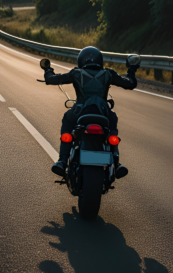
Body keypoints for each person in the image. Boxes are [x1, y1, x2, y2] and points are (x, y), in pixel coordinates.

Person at [43, 46, 139, 178]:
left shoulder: (76, 73)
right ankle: (117, 163)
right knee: (112, 125)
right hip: (103, 113)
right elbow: (130, 84)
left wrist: (48, 70)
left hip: (79, 113)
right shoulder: (108, 74)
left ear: (81, 60)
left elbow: (52, 79)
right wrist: (132, 70)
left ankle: (62, 161)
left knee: (67, 119)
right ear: (100, 60)